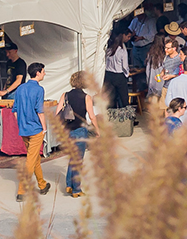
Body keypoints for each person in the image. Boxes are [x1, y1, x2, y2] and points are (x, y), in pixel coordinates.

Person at [11, 62, 51, 200]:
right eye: (43, 71)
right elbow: (40, 111)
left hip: (24, 129)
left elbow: (15, 110)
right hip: (35, 129)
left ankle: (42, 184)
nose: (44, 74)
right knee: (30, 160)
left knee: (34, 159)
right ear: (38, 73)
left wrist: (21, 123)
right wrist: (44, 128)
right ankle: (22, 190)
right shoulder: (39, 90)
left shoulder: (20, 88)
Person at [60, 70, 98, 199]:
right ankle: (76, 189)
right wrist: (97, 130)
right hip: (80, 131)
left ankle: (69, 184)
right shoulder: (86, 97)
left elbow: (57, 114)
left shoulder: (65, 95)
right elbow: (92, 116)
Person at [104, 29, 133, 110]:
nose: (129, 39)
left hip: (109, 75)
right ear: (123, 35)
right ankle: (127, 117)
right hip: (119, 75)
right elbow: (125, 66)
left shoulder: (109, 49)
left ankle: (111, 116)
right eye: (128, 36)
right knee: (124, 98)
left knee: (111, 99)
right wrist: (127, 74)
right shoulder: (122, 50)